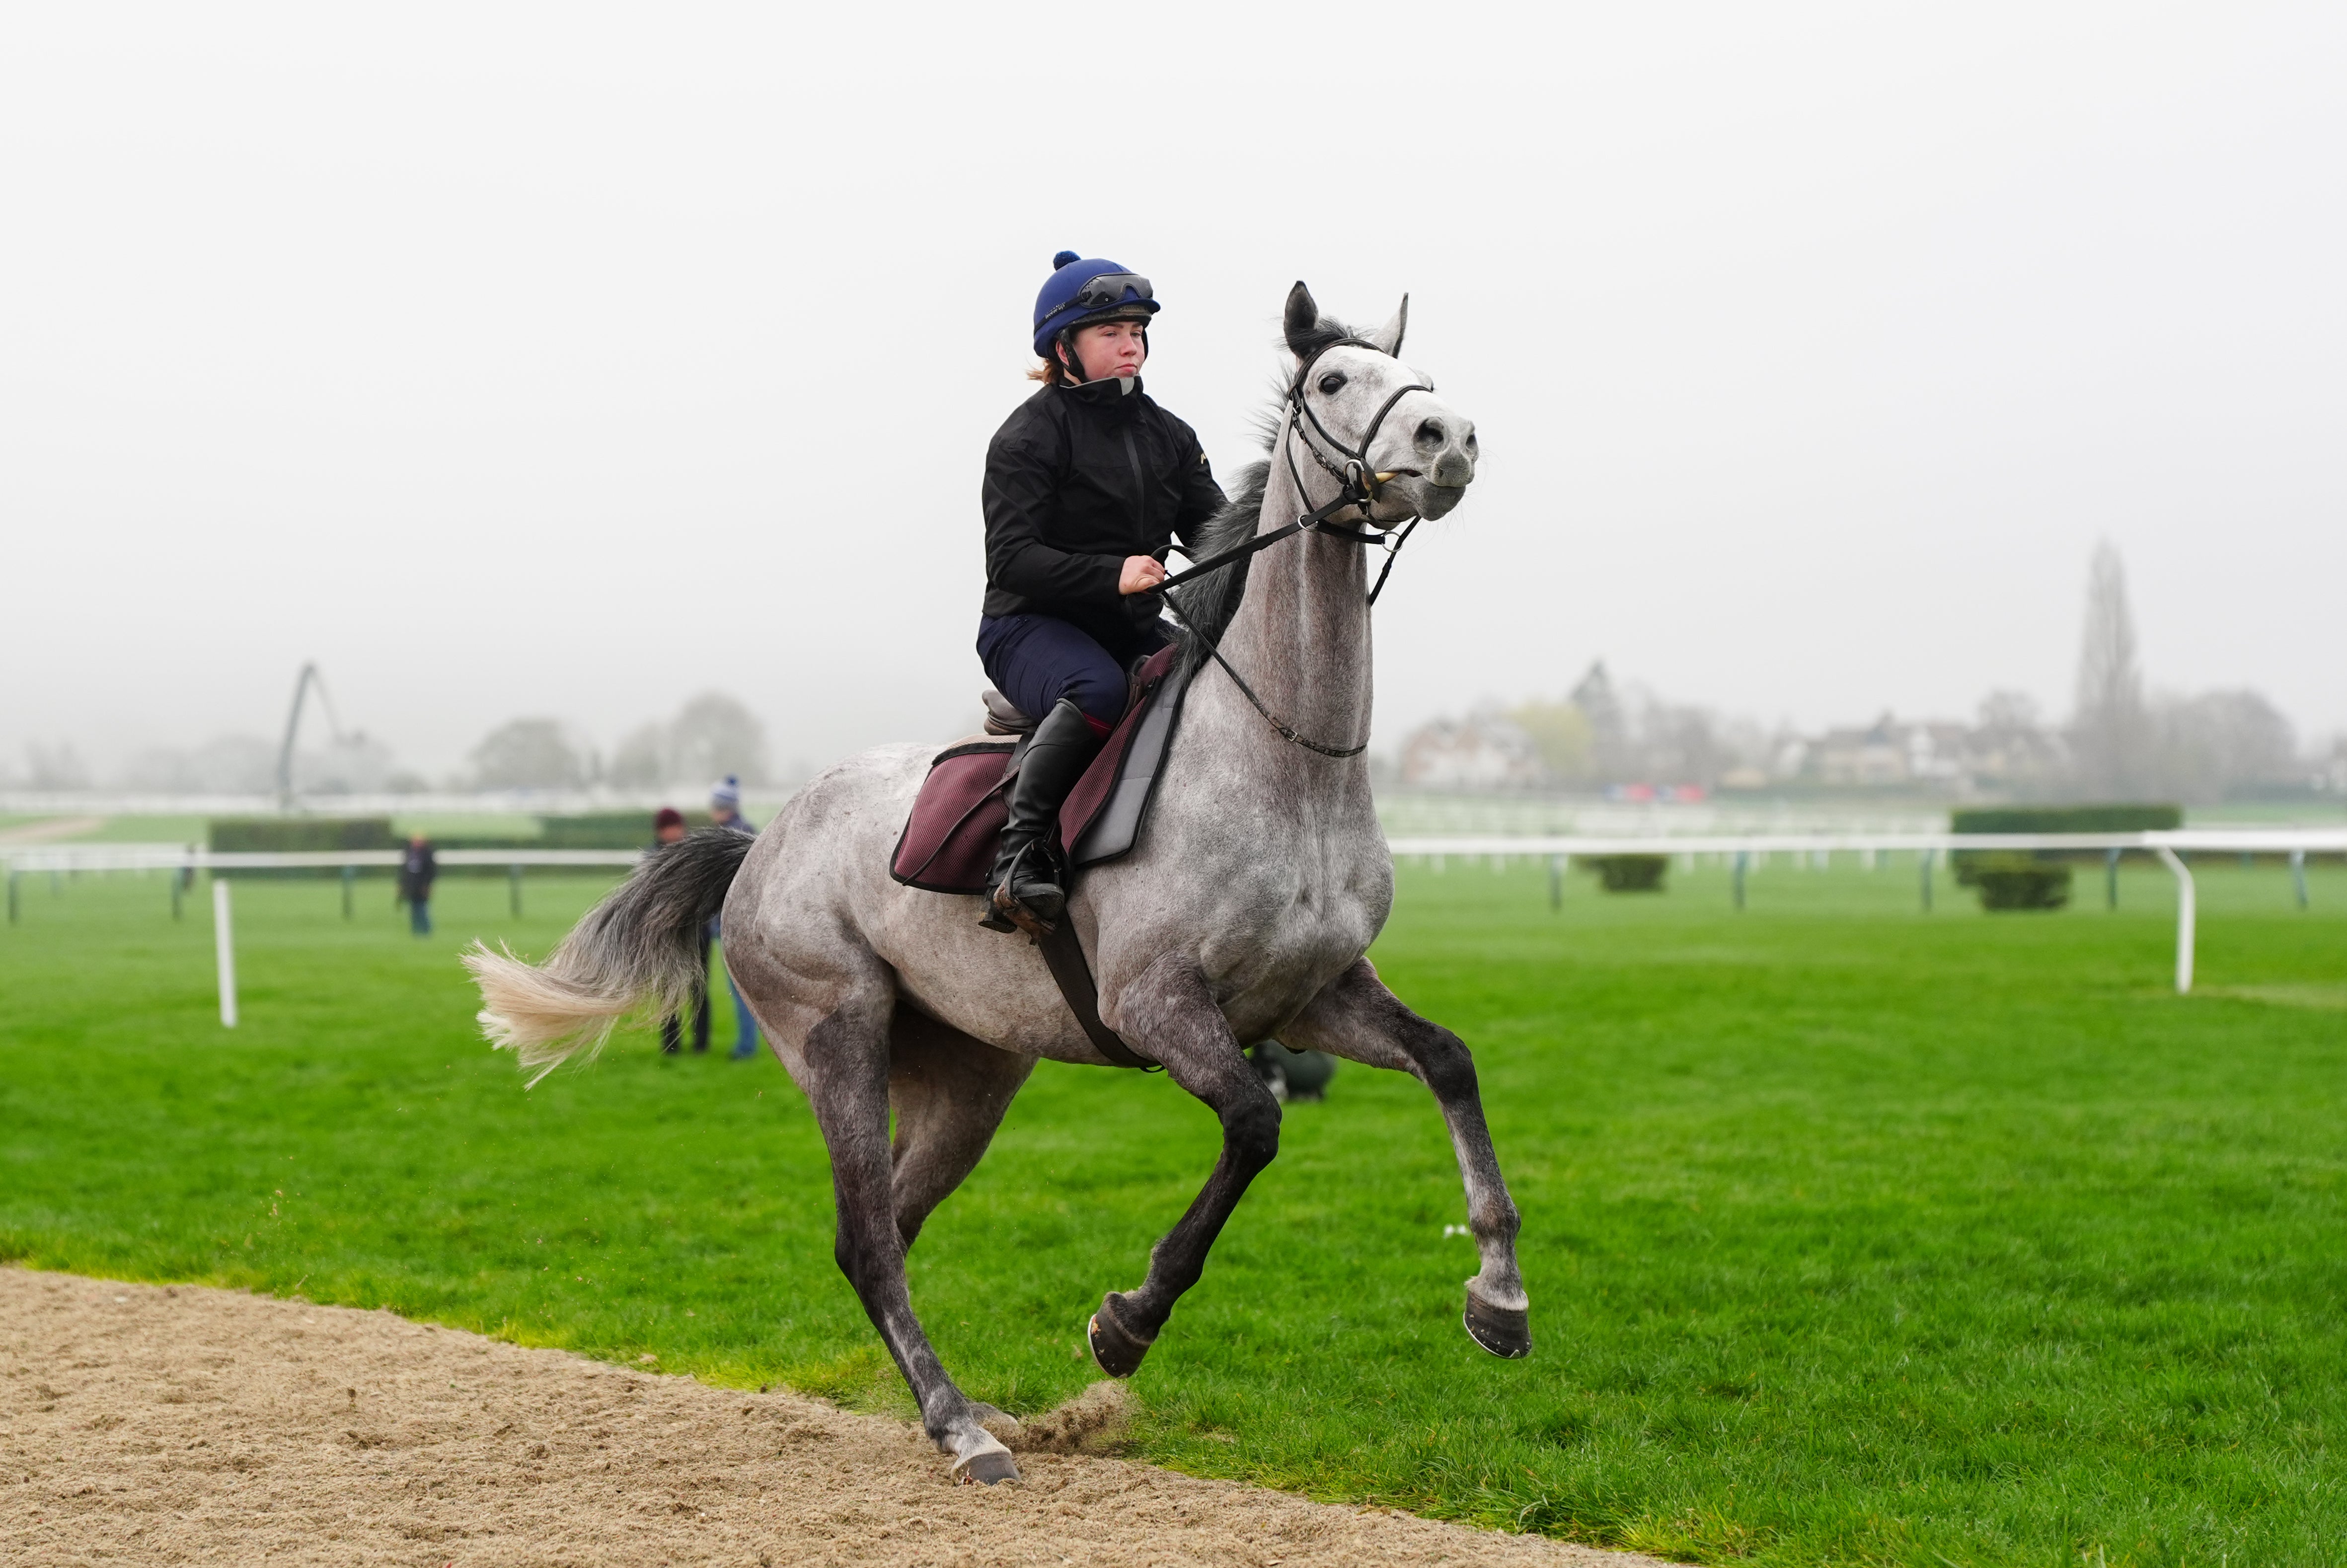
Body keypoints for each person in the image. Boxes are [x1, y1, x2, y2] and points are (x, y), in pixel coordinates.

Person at [976, 251, 1226, 932]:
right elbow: (1011, 560)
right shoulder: (1027, 437)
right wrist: (1111, 573)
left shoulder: (1172, 437)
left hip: (1131, 626)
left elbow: (1216, 538)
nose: (1130, 345)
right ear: (1065, 348)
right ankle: (1017, 860)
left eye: (1137, 331)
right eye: (1111, 331)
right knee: (1097, 690)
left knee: (1213, 682)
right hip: (1028, 628)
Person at [707, 777, 764, 1060]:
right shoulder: (746, 830)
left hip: (734, 924)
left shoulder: (731, 834)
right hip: (741, 921)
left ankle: (746, 1047)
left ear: (722, 806)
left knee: (740, 989)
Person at [651, 807, 711, 1055]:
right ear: (661, 830)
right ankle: (671, 1044)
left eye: (679, 827)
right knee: (669, 991)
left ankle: (701, 1044)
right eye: (671, 827)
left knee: (699, 990)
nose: (677, 832)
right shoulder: (652, 857)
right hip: (667, 937)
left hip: (697, 933)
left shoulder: (693, 854)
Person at [396, 833, 437, 937]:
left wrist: (427, 885)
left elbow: (431, 872)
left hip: (422, 887)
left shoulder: (427, 855)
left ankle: (426, 931)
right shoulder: (409, 854)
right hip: (411, 887)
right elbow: (404, 871)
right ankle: (416, 931)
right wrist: (402, 885)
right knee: (414, 910)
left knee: (422, 909)